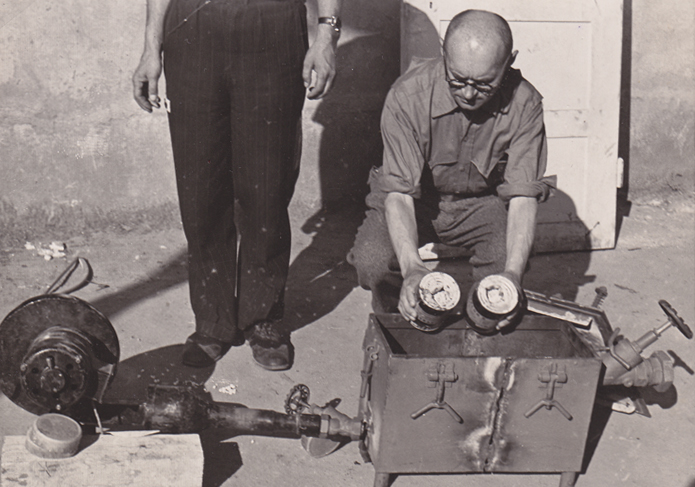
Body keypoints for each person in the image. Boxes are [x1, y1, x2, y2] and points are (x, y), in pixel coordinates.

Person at [132, 0, 343, 371]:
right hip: (194, 26)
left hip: (273, 25)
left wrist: (325, 36)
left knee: (266, 189)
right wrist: (152, 49)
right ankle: (212, 321)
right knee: (200, 190)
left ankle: (263, 317)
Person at [348, 9, 554, 331]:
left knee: (502, 276)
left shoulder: (525, 103)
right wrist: (413, 268)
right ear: (443, 51)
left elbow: (523, 197)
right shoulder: (407, 96)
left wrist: (513, 275)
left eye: (485, 85)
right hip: (416, 200)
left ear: (509, 61)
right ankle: (397, 317)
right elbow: (400, 193)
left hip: (480, 205)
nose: (469, 94)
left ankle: (481, 329)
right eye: (458, 80)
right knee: (372, 261)